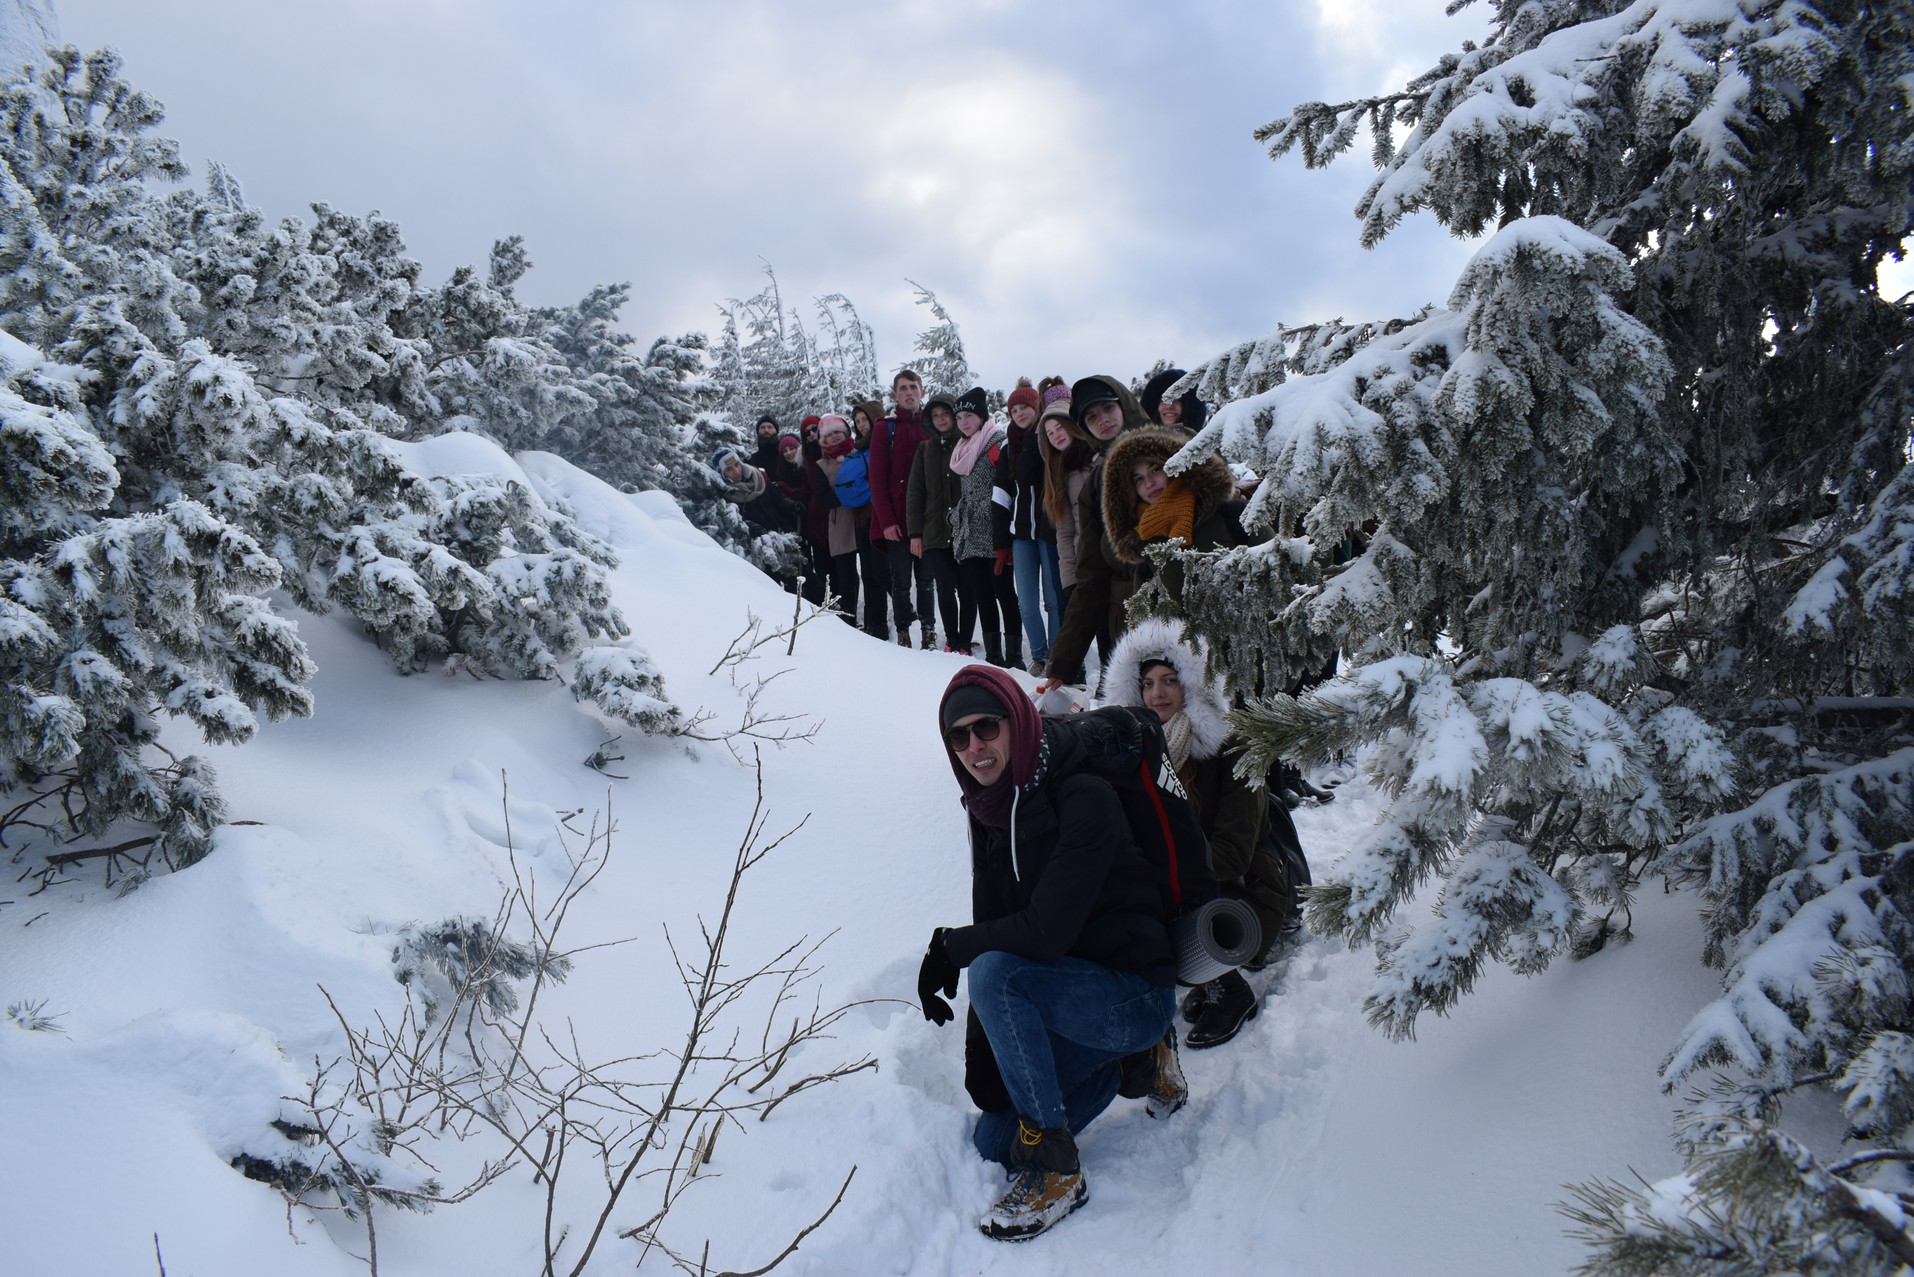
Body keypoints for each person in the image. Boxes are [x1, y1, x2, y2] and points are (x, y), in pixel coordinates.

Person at [919, 664, 1177, 1241]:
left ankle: (1057, 1170)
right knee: (994, 1142)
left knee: (996, 973)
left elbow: (1041, 935)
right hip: (1069, 994)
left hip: (1132, 993)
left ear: (1017, 720)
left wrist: (950, 949)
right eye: (958, 736)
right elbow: (995, 924)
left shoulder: (1084, 794)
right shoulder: (989, 807)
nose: (974, 747)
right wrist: (986, 1076)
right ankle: (1124, 1065)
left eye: (986, 727)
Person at [1103, 617, 1297, 1048]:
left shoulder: (1233, 746)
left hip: (1243, 890)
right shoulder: (1141, 751)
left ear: (1193, 685)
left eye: (1170, 680)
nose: (1157, 693)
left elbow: (1234, 851)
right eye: (1147, 683)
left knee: (1161, 898)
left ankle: (1230, 990)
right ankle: (1196, 976)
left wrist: (1158, 877)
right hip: (1184, 885)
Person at [1042, 396, 1248, 694]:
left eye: (1155, 469)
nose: (1149, 483)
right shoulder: (1140, 535)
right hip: (1151, 653)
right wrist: (1063, 662)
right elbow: (1091, 578)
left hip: (1232, 663)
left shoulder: (1225, 511)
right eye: (1138, 479)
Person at [948, 386, 1023, 668]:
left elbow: (1008, 487)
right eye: (959, 418)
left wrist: (1006, 531)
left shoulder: (998, 442)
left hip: (996, 532)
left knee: (1005, 594)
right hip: (970, 535)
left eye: (969, 415)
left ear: (981, 416)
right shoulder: (962, 448)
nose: (964, 422)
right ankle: (994, 656)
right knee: (983, 596)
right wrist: (954, 517)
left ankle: (1014, 658)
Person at [868, 371, 938, 649]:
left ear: (922, 391)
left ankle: (929, 632)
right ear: (895, 394)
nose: (909, 393)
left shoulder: (932, 426)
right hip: (896, 520)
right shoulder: (885, 428)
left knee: (926, 580)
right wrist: (886, 521)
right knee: (901, 582)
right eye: (903, 388)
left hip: (927, 520)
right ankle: (903, 633)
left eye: (913, 387)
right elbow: (877, 478)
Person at [1003, 377, 1064, 674]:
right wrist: (1001, 539)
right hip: (1021, 532)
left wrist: (1032, 440)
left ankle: (1058, 656)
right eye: (1014, 411)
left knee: (1054, 600)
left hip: (1050, 530)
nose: (1020, 414)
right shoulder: (1009, 445)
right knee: (1027, 602)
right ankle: (1039, 656)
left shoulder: (1047, 438)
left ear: (1037, 407)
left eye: (1025, 408)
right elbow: (1003, 491)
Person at [905, 395, 966, 652]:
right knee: (944, 588)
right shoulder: (925, 449)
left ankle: (965, 641)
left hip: (966, 531)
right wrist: (915, 533)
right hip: (934, 531)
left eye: (945, 413)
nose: (941, 419)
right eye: (935, 415)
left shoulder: (967, 443)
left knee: (967, 589)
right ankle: (952, 640)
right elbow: (915, 492)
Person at [808, 414, 863, 626]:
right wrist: (849, 492)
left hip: (863, 517)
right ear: (823, 440)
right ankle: (849, 619)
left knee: (872, 570)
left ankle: (876, 619)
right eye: (829, 435)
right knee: (846, 574)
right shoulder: (822, 465)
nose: (834, 437)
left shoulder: (858, 455)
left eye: (838, 432)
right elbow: (823, 497)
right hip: (840, 522)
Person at [846, 400, 890, 640]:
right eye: (858, 421)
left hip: (880, 518)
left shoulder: (884, 444)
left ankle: (899, 618)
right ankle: (875, 623)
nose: (862, 425)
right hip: (861, 519)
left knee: (882, 572)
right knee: (869, 574)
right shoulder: (858, 449)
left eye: (865, 419)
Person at [772, 424, 827, 606]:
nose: (789, 453)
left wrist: (785, 489)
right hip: (794, 524)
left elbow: (804, 492)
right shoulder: (781, 470)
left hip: (812, 520)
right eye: (785, 450)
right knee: (804, 561)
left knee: (819, 563)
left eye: (792, 448)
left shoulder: (806, 466)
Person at [1138, 367, 1208, 433]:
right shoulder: (1137, 440)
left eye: (1176, 400)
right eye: (1163, 400)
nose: (1169, 406)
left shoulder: (1202, 441)